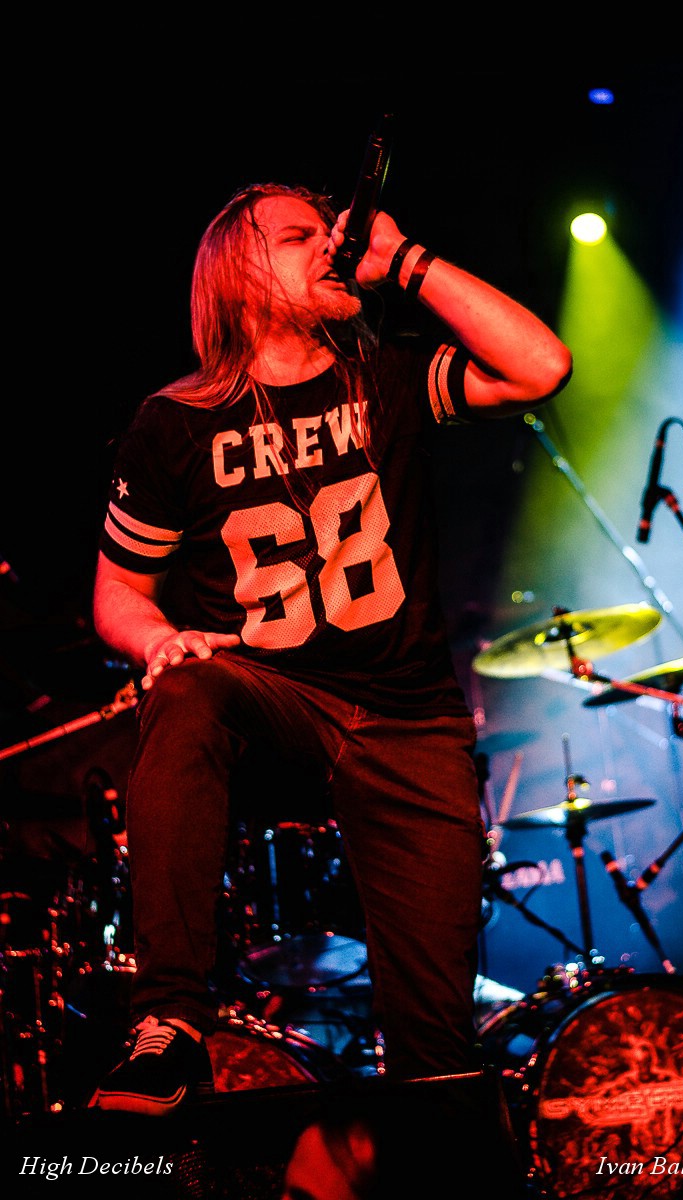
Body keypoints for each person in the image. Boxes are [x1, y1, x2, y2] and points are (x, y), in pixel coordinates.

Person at [86, 178, 572, 1129]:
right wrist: (158, 638)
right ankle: (168, 1020)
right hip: (274, 699)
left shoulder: (384, 376)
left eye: (331, 233)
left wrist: (406, 262)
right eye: (299, 236)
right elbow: (116, 594)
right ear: (238, 273)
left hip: (407, 718)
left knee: (435, 1052)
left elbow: (539, 367)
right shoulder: (174, 423)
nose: (330, 246)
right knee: (187, 690)